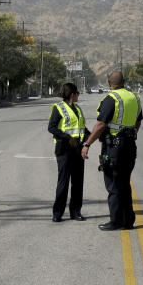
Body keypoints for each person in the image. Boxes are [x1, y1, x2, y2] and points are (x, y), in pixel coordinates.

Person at [81, 70, 143, 231]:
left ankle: (115, 221)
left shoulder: (112, 98)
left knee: (114, 185)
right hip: (130, 145)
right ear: (124, 82)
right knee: (124, 184)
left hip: (114, 147)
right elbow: (138, 122)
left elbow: (101, 125)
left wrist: (87, 144)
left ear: (110, 83)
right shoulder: (134, 97)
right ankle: (128, 221)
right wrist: (130, 134)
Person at [47, 82, 90, 222]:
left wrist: (95, 136)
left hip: (77, 148)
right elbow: (51, 127)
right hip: (64, 149)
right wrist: (67, 137)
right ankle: (57, 212)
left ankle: (75, 211)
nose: (78, 96)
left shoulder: (78, 109)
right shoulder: (58, 108)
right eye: (77, 93)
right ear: (73, 95)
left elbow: (82, 128)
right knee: (63, 182)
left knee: (78, 182)